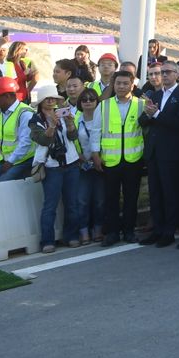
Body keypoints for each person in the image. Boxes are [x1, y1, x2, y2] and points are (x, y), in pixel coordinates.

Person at [138, 61, 179, 248]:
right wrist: (149, 114)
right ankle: (157, 229)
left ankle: (169, 231)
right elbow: (143, 121)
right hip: (154, 150)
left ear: (176, 74)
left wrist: (157, 115)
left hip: (172, 151)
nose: (164, 75)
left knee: (170, 192)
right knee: (155, 193)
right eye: (162, 72)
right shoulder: (156, 94)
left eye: (168, 72)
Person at [28, 85, 82, 253]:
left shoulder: (63, 113)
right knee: (50, 205)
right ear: (41, 102)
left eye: (53, 98)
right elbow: (43, 141)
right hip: (51, 167)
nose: (51, 101)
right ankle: (47, 240)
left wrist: (70, 124)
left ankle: (71, 236)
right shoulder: (35, 120)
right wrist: (51, 126)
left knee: (72, 203)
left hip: (71, 163)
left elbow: (73, 137)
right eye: (48, 98)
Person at [94, 70, 144, 245]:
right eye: (118, 83)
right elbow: (96, 131)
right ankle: (112, 232)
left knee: (131, 197)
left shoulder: (141, 104)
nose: (121, 87)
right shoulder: (104, 105)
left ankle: (129, 231)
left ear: (132, 85)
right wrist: (95, 154)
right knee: (111, 197)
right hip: (110, 160)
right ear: (113, 85)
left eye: (125, 83)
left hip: (134, 159)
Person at [74, 88, 105, 245]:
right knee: (82, 200)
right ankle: (84, 231)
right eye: (84, 99)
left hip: (101, 164)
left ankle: (98, 228)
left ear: (97, 102)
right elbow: (70, 140)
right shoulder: (75, 119)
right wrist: (78, 156)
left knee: (99, 200)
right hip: (83, 165)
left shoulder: (104, 118)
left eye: (91, 99)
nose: (87, 102)